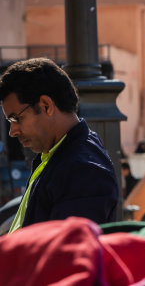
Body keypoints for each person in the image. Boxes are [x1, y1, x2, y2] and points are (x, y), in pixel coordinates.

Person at [0, 58, 118, 232]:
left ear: (46, 105)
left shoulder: (83, 170)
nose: (13, 131)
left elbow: (65, 253)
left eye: (16, 118)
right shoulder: (59, 156)